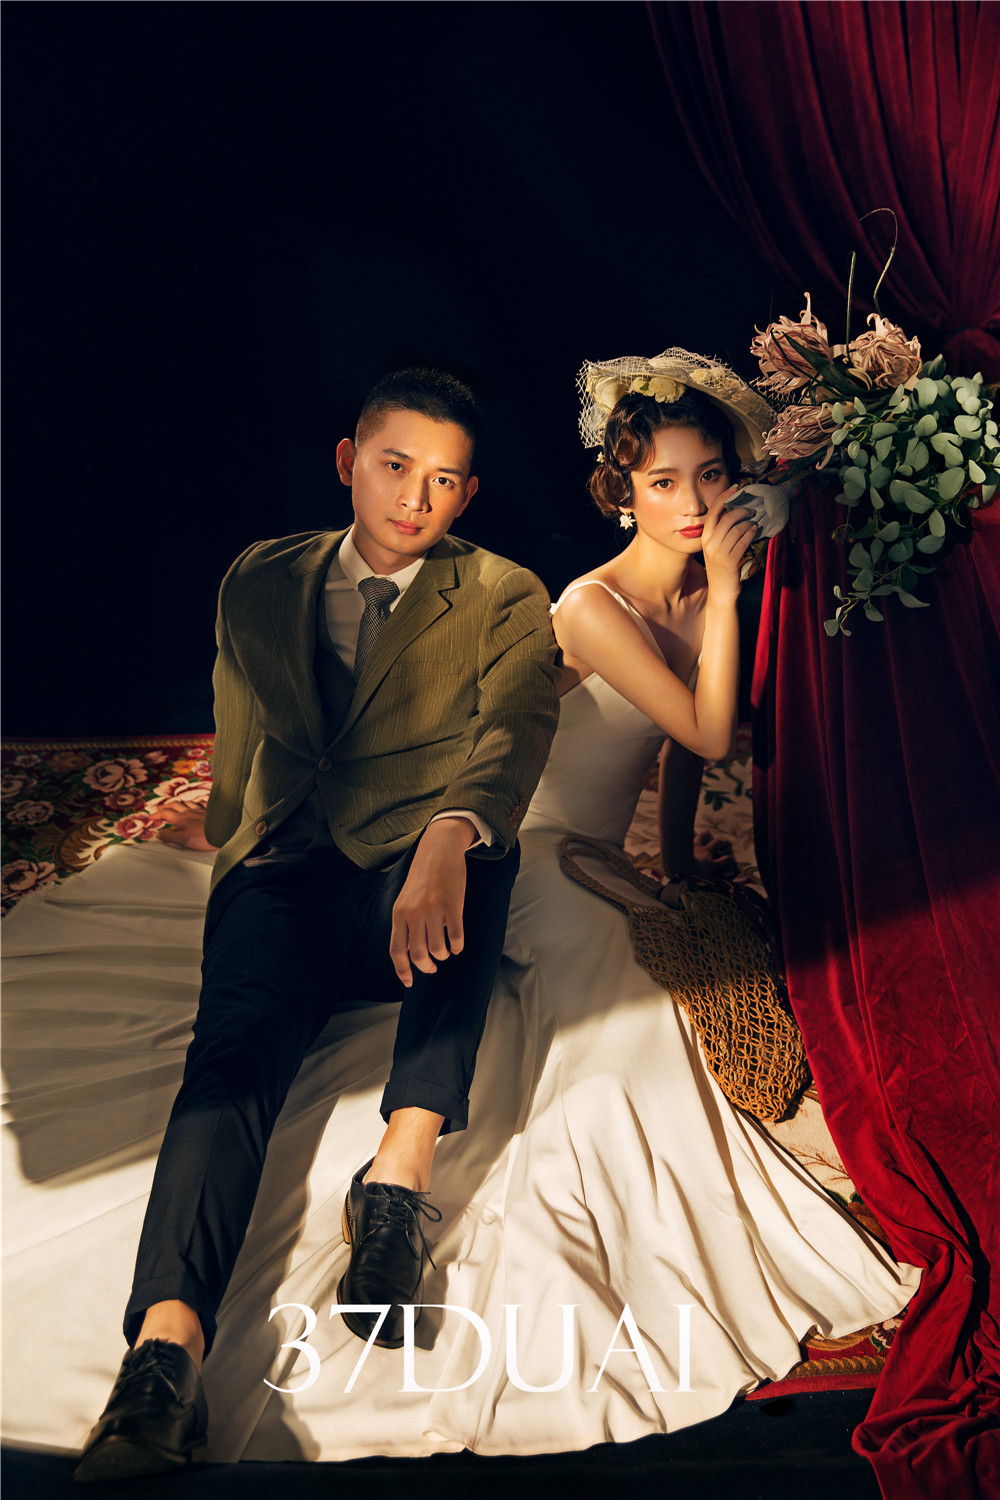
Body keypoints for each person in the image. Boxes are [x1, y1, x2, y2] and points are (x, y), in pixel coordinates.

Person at [72, 367, 561, 1480]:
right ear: (348, 461)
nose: (415, 498)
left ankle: (396, 1179)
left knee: (485, 853)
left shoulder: (503, 593)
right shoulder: (261, 576)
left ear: (469, 492)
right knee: (230, 1060)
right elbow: (240, 720)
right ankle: (164, 1360)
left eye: (444, 480)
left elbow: (515, 732)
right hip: (286, 876)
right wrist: (235, 843)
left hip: (410, 885)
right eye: (394, 466)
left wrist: (446, 833)